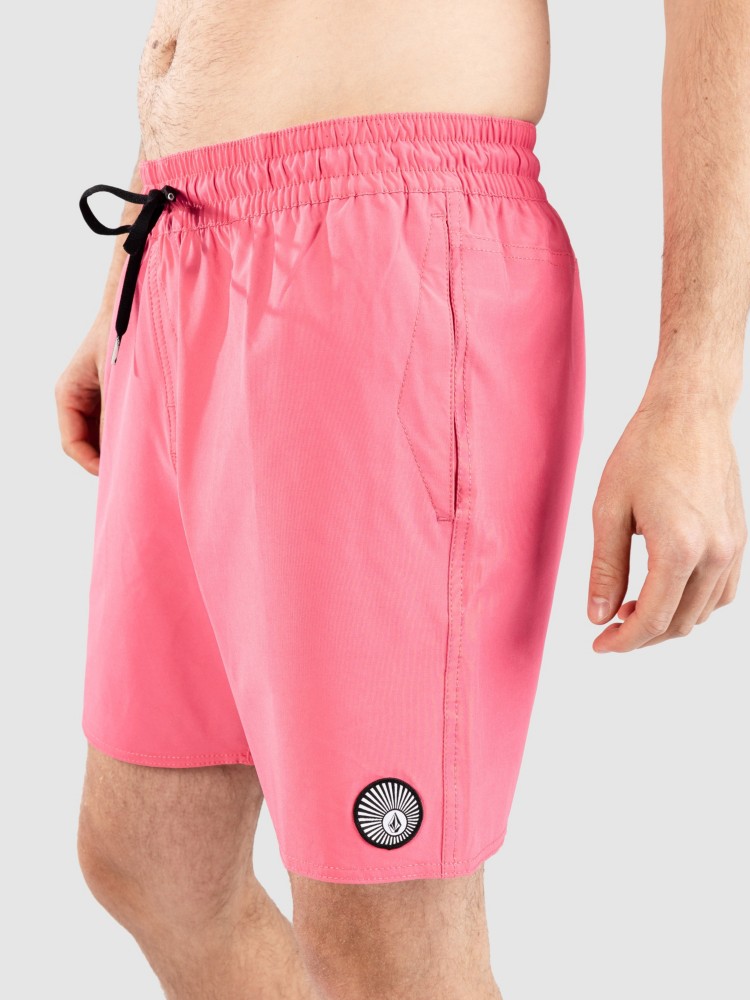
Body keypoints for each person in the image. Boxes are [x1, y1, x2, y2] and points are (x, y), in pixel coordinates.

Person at [55, 2, 748, 998]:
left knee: (387, 939)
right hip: (182, 241)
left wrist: (696, 386)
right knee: (149, 855)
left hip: (382, 241)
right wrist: (133, 264)